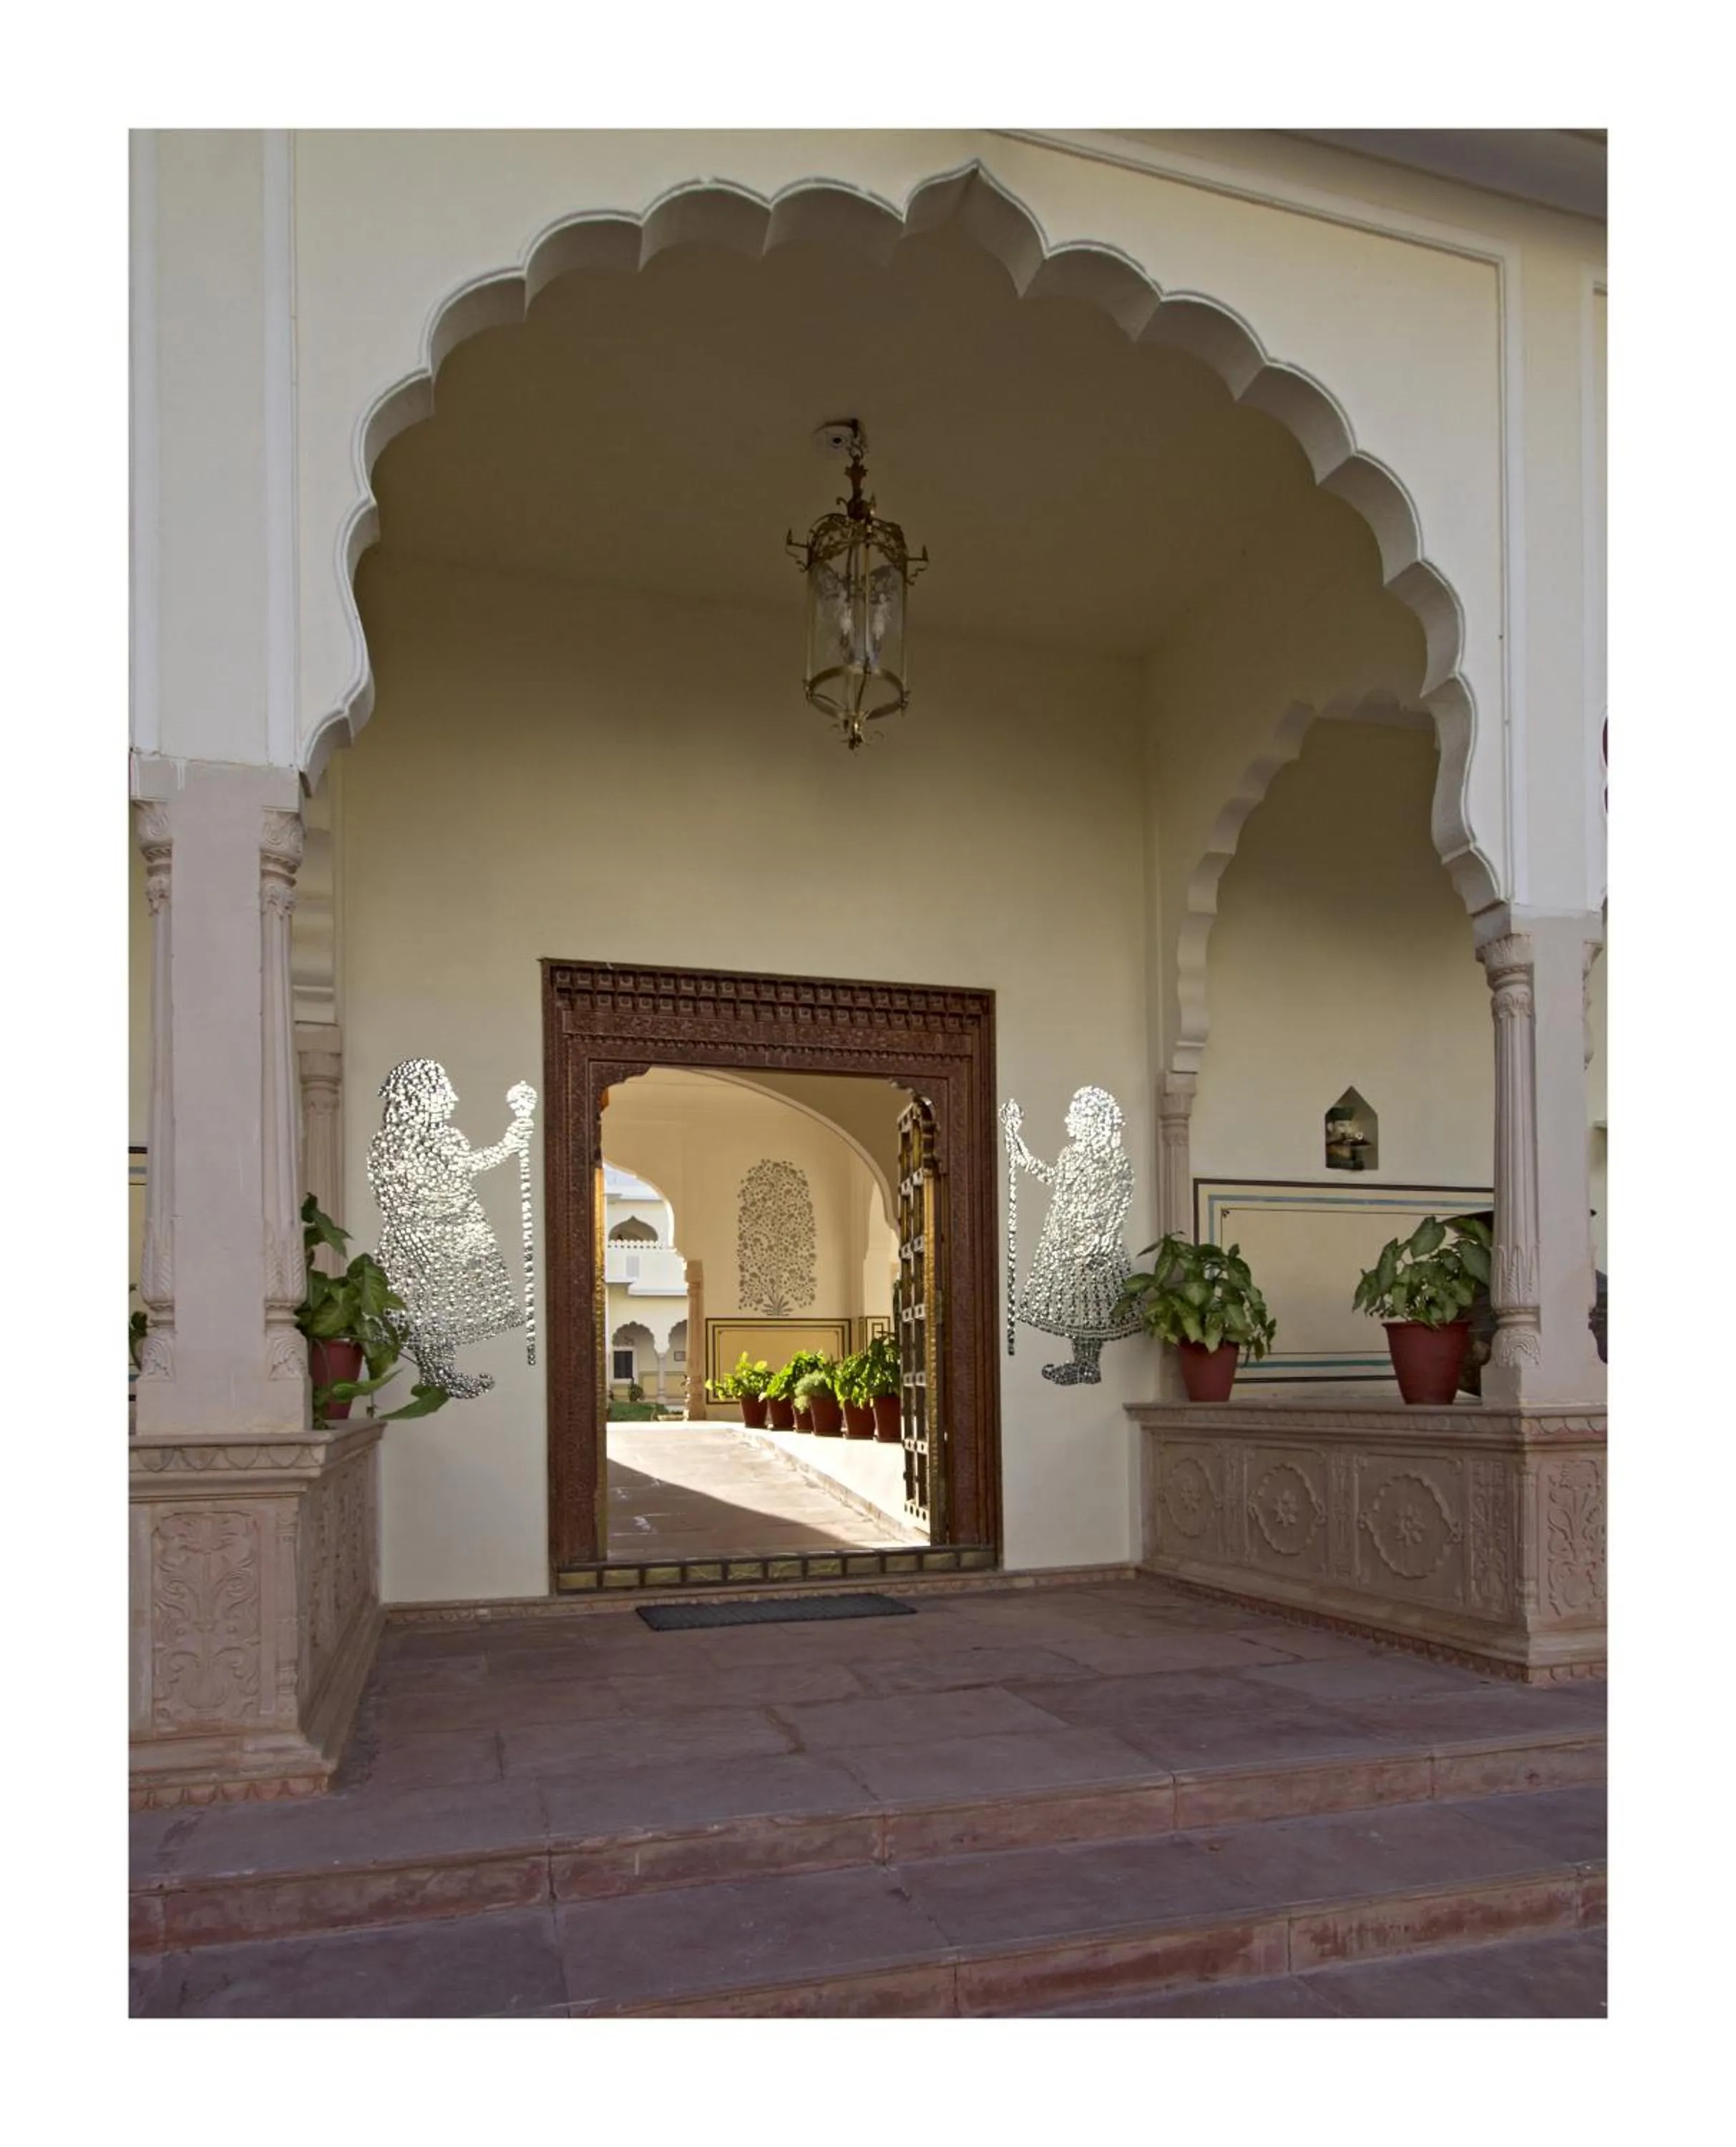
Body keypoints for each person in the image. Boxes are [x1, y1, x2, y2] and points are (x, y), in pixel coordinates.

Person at [368, 1059, 535, 1400]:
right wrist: (507, 1145)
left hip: (448, 1235)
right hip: (418, 1238)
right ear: (422, 1096)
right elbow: (401, 1191)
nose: (454, 1099)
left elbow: (462, 1168)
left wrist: (509, 1144)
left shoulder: (442, 1138)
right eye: (445, 1091)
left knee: (439, 1313)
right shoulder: (392, 1144)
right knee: (419, 1309)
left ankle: (438, 1373)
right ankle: (432, 1372)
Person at [1002, 1086, 1140, 1385]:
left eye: (1073, 1116)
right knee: (1077, 1306)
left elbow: (1120, 1199)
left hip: (1096, 1242)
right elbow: (1050, 1177)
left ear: (1090, 1120)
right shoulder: (1070, 1155)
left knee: (1094, 1306)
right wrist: (1013, 1137)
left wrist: (1106, 1237)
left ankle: (1088, 1365)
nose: (1067, 1121)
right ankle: (1083, 1364)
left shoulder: (1115, 1161)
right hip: (1066, 1240)